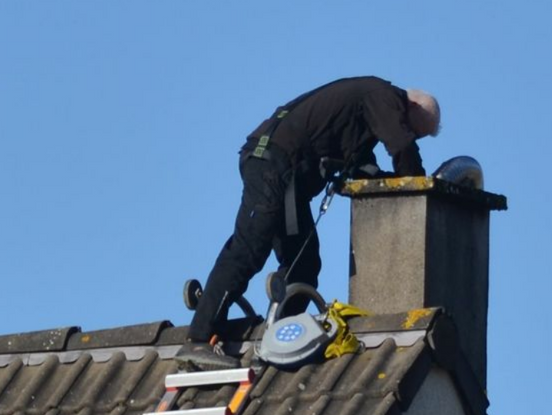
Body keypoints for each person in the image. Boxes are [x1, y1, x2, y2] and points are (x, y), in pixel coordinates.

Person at [179, 76, 441, 368]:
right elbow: (402, 147)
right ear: (412, 106)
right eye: (417, 130)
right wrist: (418, 186)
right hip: (272, 164)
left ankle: (281, 339)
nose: (413, 136)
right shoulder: (385, 96)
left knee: (303, 264)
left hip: (283, 175)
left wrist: (383, 180)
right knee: (249, 248)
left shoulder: (365, 109)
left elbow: (363, 166)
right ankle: (199, 338)